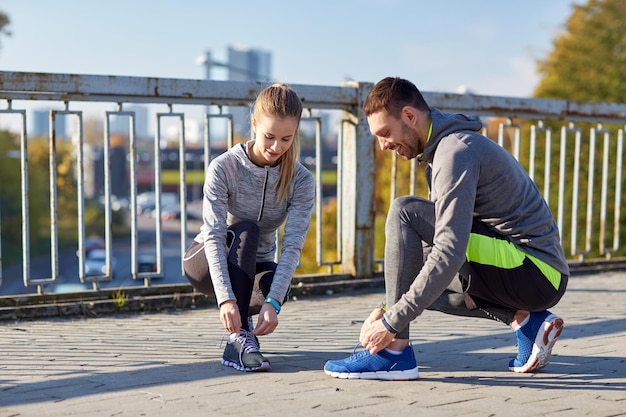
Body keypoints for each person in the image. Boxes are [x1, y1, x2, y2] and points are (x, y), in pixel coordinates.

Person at [324, 77, 569, 380]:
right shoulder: (442, 152)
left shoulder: (455, 152)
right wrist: (386, 307)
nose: (382, 145)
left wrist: (390, 324)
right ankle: (528, 324)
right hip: (531, 274)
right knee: (423, 280)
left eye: (385, 133)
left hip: (535, 269)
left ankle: (394, 352)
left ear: (409, 116)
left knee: (405, 212)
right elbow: (426, 256)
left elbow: (449, 250)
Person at [184, 83, 315, 372]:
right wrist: (226, 300)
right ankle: (238, 339)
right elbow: (215, 235)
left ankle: (242, 335)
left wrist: (274, 301)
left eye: (286, 139)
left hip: (253, 266)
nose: (276, 147)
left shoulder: (302, 180)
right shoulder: (224, 167)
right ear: (254, 124)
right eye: (269, 136)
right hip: (206, 262)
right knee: (247, 230)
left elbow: (293, 244)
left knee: (274, 284)